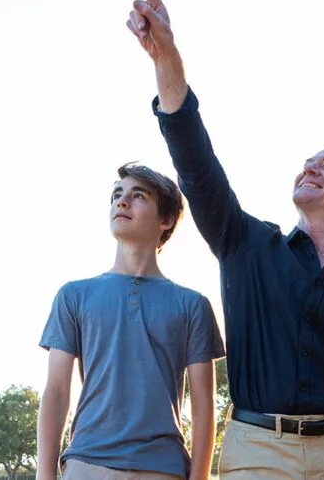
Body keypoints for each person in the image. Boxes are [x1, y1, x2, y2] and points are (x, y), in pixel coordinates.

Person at [125, 0, 324, 480]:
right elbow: (196, 165)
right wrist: (166, 58)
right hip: (255, 450)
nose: (310, 168)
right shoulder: (245, 244)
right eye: (306, 163)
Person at [36, 163, 226, 480]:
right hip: (86, 464)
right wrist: (45, 476)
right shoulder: (73, 295)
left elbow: (204, 405)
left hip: (163, 468)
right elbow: (56, 391)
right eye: (117, 195)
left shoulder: (193, 305)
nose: (122, 202)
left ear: (166, 220)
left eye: (138, 196)